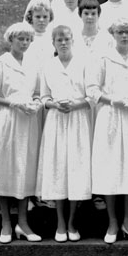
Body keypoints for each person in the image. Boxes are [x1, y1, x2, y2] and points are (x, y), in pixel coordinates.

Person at [86, 19, 128, 244]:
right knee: (110, 168)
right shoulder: (103, 59)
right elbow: (92, 90)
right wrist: (113, 101)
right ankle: (112, 222)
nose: (124, 36)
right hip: (110, 117)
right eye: (120, 32)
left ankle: (127, 222)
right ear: (113, 33)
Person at [0, 22, 42, 244]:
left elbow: (37, 93)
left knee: (25, 169)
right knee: (5, 168)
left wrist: (36, 104)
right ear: (11, 40)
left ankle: (23, 224)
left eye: (27, 39)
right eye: (20, 39)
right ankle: (6, 223)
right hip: (8, 120)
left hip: (28, 122)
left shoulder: (33, 65)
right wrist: (14, 103)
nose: (24, 43)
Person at [36, 25, 92, 243]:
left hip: (78, 120)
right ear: (53, 43)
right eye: (59, 39)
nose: (63, 43)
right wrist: (55, 105)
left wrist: (76, 105)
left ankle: (72, 223)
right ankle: (60, 222)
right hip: (56, 120)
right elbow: (43, 97)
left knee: (76, 169)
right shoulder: (48, 66)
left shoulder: (84, 63)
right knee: (58, 169)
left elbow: (92, 96)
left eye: (67, 39)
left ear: (73, 41)